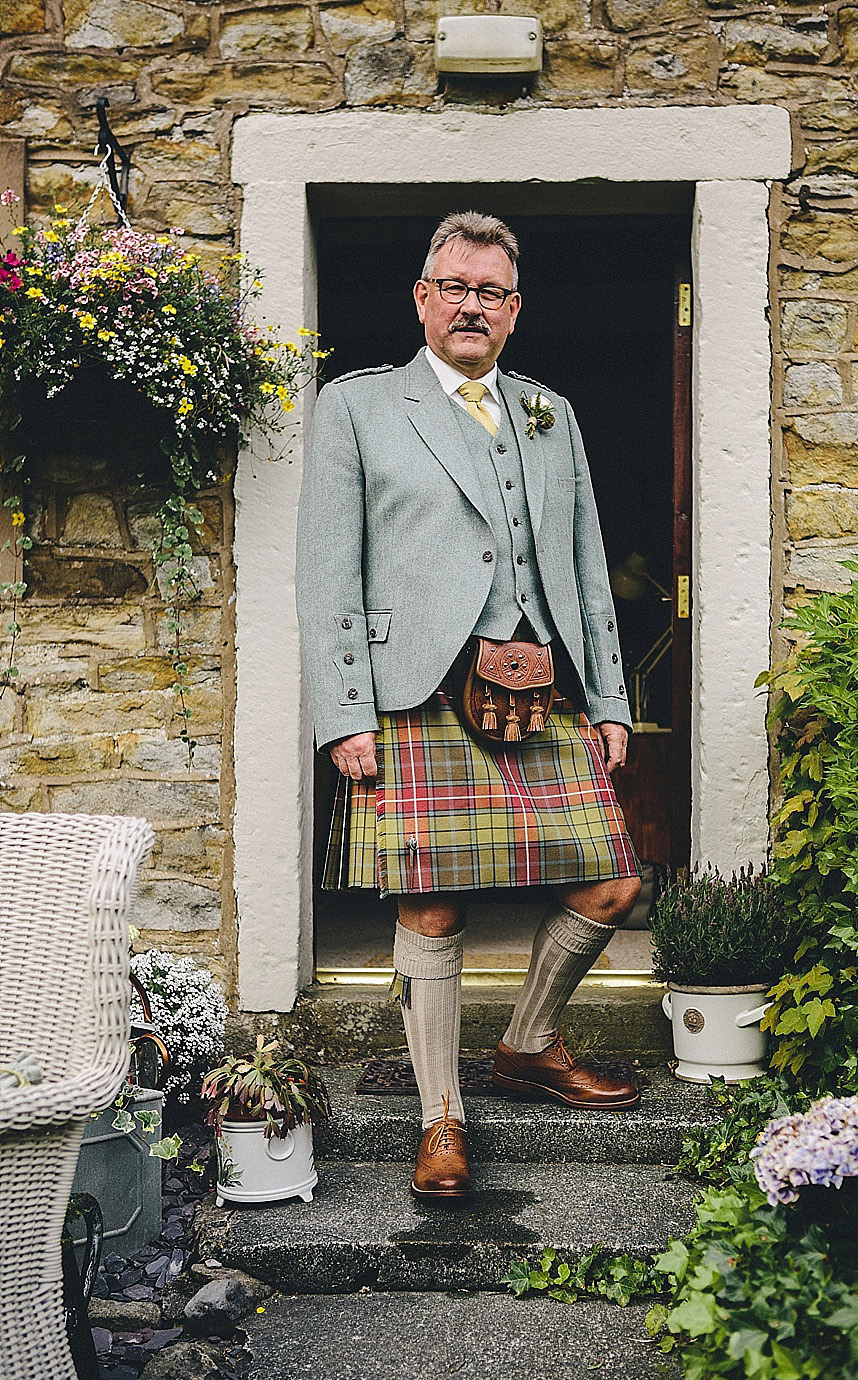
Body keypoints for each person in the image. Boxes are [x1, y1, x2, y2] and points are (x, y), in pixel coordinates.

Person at [296, 212, 643, 1202]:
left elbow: (582, 570)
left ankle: (528, 1043)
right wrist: (344, 714)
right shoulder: (359, 409)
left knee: (615, 880)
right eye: (453, 286)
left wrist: (609, 697)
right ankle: (442, 1117)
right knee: (432, 905)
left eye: (490, 292)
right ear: (421, 297)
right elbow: (329, 577)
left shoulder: (550, 411)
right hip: (415, 692)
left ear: (515, 310)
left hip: (539, 694)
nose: (470, 305)